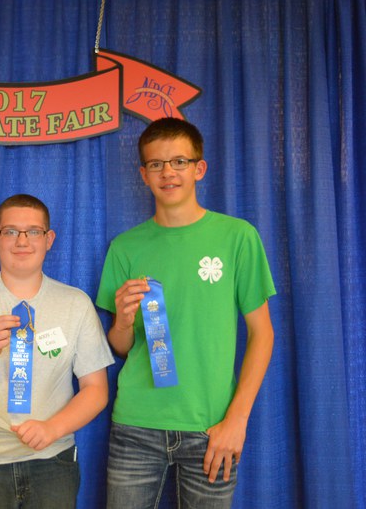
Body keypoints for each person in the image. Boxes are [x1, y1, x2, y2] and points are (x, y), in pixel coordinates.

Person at [97, 118, 276, 508]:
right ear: (143, 175)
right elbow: (121, 346)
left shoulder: (238, 237)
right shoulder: (125, 247)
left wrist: (237, 421)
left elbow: (263, 334)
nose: (168, 173)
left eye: (179, 161)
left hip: (212, 428)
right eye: (157, 164)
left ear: (199, 168)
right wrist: (124, 320)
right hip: (136, 424)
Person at [0, 194, 114, 509]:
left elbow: (96, 390)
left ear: (49, 239)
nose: (22, 241)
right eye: (10, 231)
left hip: (53, 463)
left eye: (33, 231)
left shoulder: (76, 304)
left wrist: (52, 429)